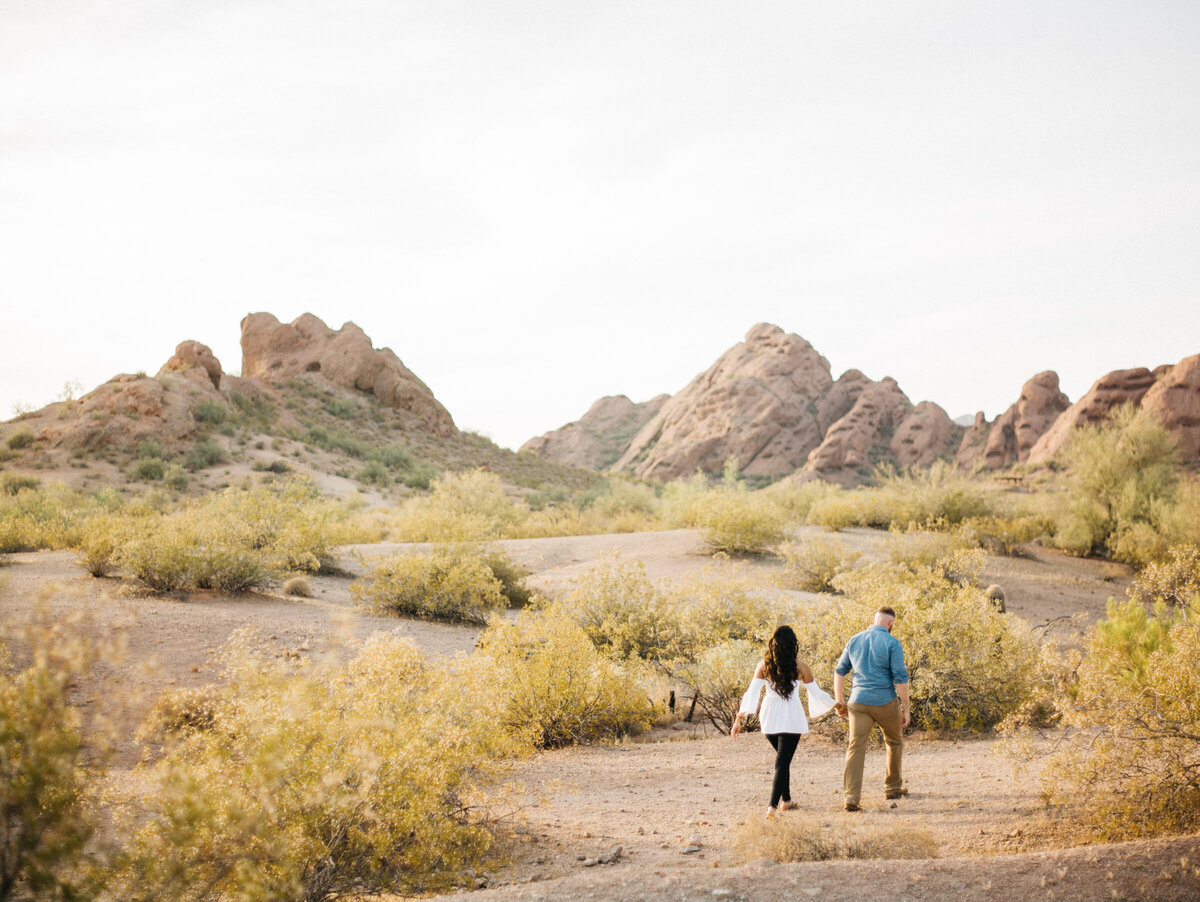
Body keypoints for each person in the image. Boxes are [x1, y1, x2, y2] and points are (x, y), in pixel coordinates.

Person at [731, 625, 836, 818]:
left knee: (783, 760)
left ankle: (786, 801)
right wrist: (835, 705)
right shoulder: (801, 667)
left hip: (769, 717)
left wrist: (739, 717)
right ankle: (772, 807)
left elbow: (752, 692)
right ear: (792, 644)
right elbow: (816, 694)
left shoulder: (764, 666)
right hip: (792, 717)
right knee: (782, 762)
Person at [833, 606, 910, 812]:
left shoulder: (855, 639)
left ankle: (851, 797)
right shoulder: (892, 643)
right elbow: (900, 678)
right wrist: (906, 708)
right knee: (894, 741)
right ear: (890, 623)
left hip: (858, 703)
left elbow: (840, 671)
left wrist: (839, 701)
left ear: (874, 620)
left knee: (855, 747)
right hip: (884, 701)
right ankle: (892, 787)